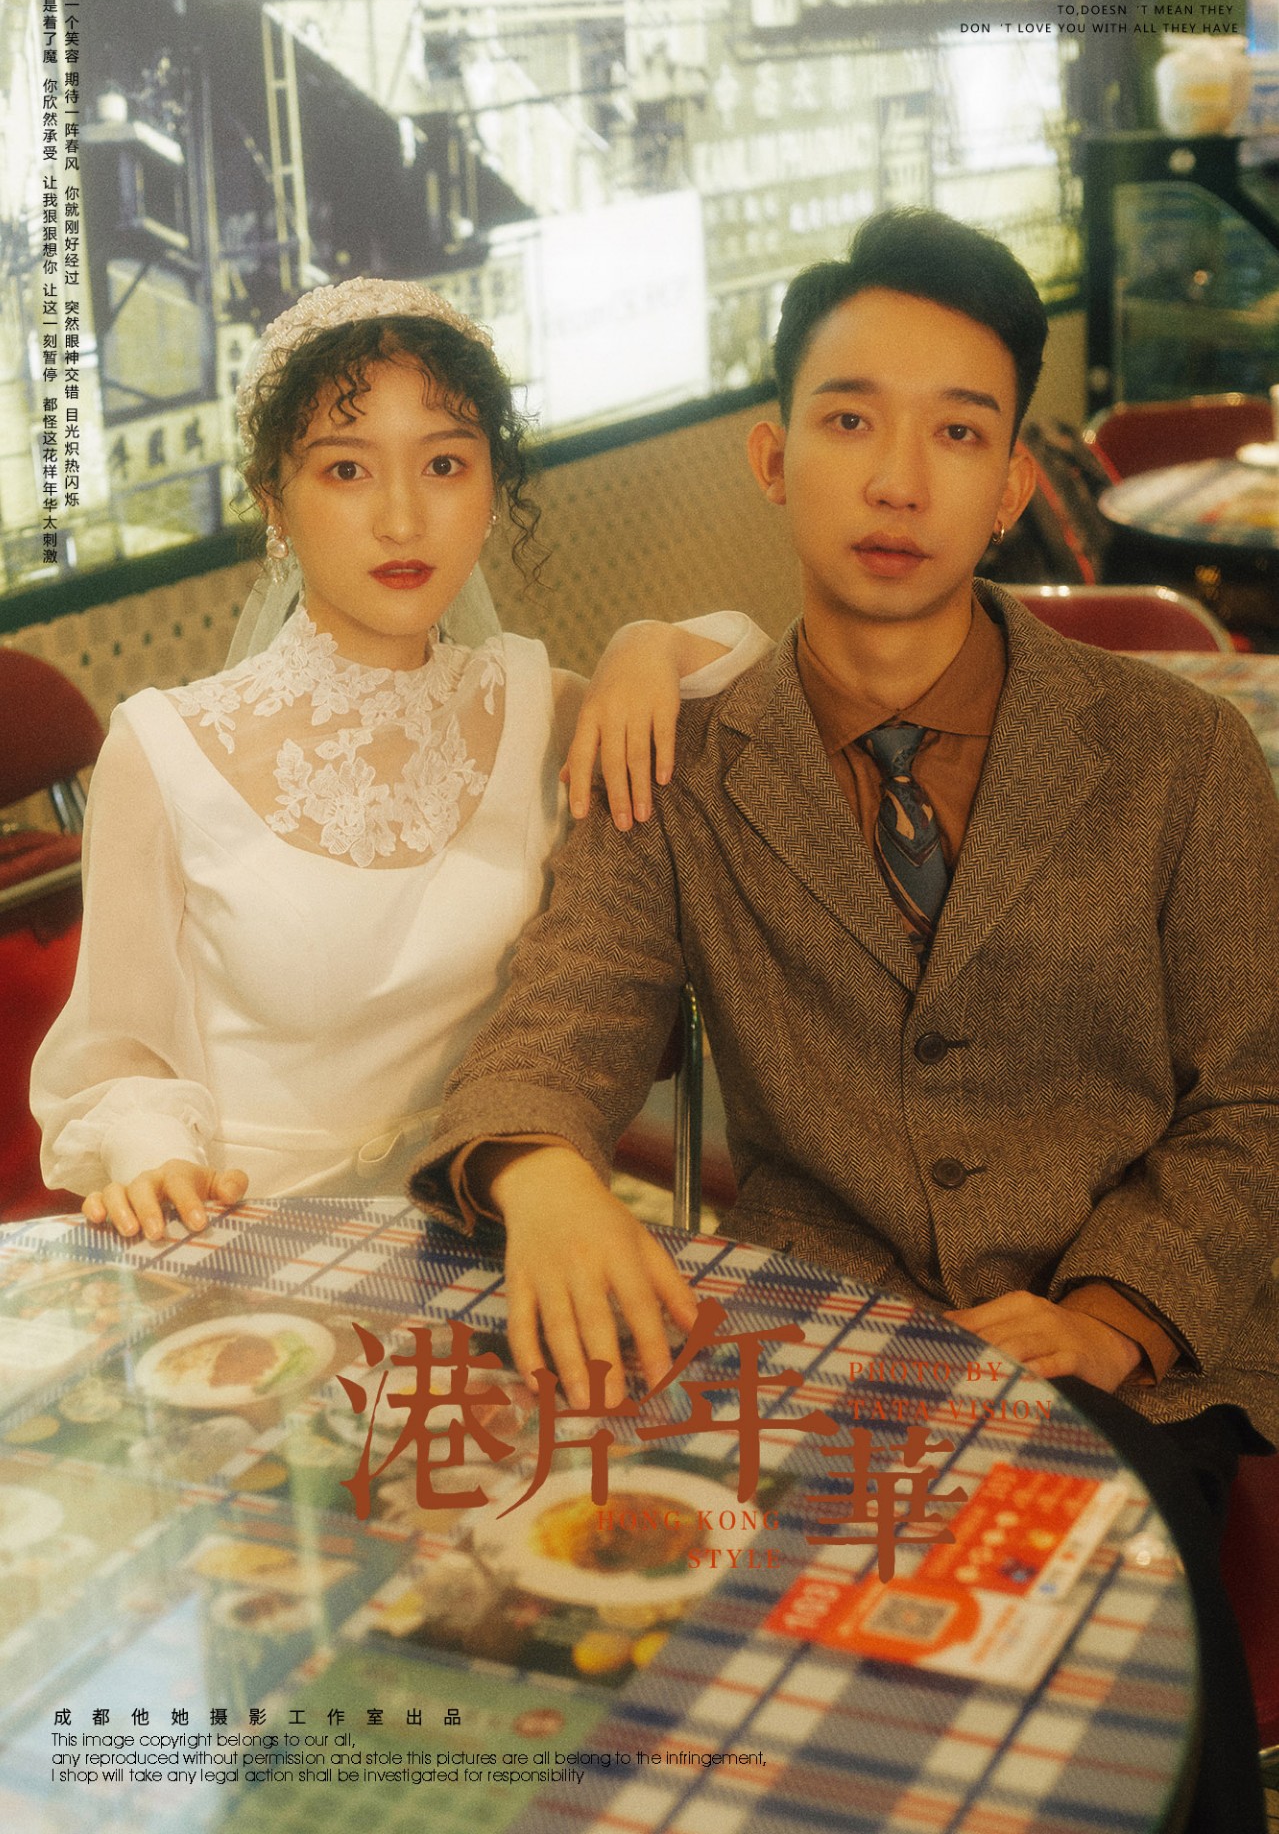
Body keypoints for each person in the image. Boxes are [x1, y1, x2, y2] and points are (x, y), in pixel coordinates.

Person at [410, 212, 1279, 1831]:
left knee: (1111, 1733)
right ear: (770, 455)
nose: (896, 481)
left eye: (955, 433)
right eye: (849, 420)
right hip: (821, 1351)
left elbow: (1253, 1102)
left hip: (1111, 1366)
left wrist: (1108, 1313)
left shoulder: (1178, 758)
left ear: (1008, 484)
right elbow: (563, 1014)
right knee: (671, 1721)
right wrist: (537, 1169)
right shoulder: (676, 764)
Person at [30, 276, 770, 1237]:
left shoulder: (538, 710)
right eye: (346, 470)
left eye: (445, 465)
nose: (402, 518)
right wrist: (153, 1161)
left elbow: (762, 685)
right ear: (273, 501)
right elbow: (120, 1058)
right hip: (246, 1234)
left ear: (492, 487)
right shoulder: (166, 750)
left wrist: (648, 644)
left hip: (477, 1220)